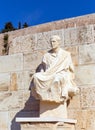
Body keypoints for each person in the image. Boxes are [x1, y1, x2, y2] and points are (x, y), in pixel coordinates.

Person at [31, 35, 79, 103]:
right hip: (48, 74)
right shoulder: (46, 55)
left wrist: (69, 76)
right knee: (36, 76)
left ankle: (57, 98)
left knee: (56, 79)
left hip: (60, 74)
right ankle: (42, 95)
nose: (52, 43)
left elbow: (71, 69)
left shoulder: (65, 54)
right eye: (51, 42)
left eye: (54, 41)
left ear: (58, 42)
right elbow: (43, 67)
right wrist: (41, 72)